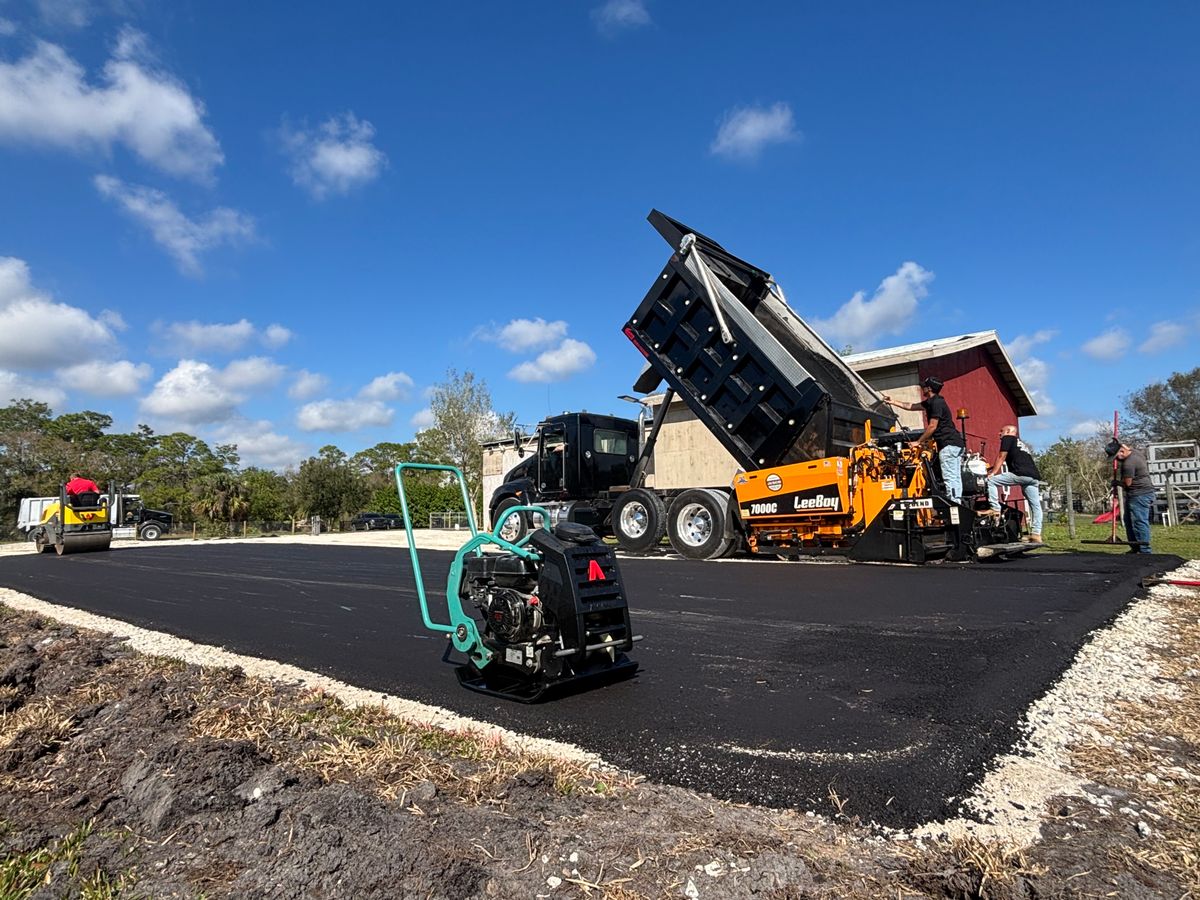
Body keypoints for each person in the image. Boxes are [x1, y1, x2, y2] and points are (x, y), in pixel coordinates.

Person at [882, 377, 966, 502]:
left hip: (948, 444)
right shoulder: (931, 402)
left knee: (950, 477)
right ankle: (957, 503)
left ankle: (954, 506)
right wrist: (892, 402)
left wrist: (918, 442)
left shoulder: (937, 403)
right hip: (954, 444)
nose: (922, 388)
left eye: (924, 386)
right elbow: (911, 406)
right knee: (955, 477)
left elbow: (932, 426)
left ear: (929, 388)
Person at [983, 425, 1042, 542]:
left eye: (1001, 431)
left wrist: (993, 473)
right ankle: (1036, 534)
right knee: (1035, 506)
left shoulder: (1008, 438)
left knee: (991, 481)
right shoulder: (1021, 444)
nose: (999, 434)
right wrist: (990, 468)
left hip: (1020, 473)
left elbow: (1001, 456)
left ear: (1009, 431)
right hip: (1033, 477)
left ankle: (995, 509)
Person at [1105, 439, 1154, 554]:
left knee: (1139, 522)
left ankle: (1144, 550)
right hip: (1135, 494)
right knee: (1128, 521)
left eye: (1117, 457)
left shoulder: (1129, 464)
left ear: (1122, 451)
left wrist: (1116, 483)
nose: (1116, 460)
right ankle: (1135, 547)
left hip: (1140, 494)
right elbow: (1124, 446)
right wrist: (1116, 442)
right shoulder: (1135, 452)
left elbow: (1127, 483)